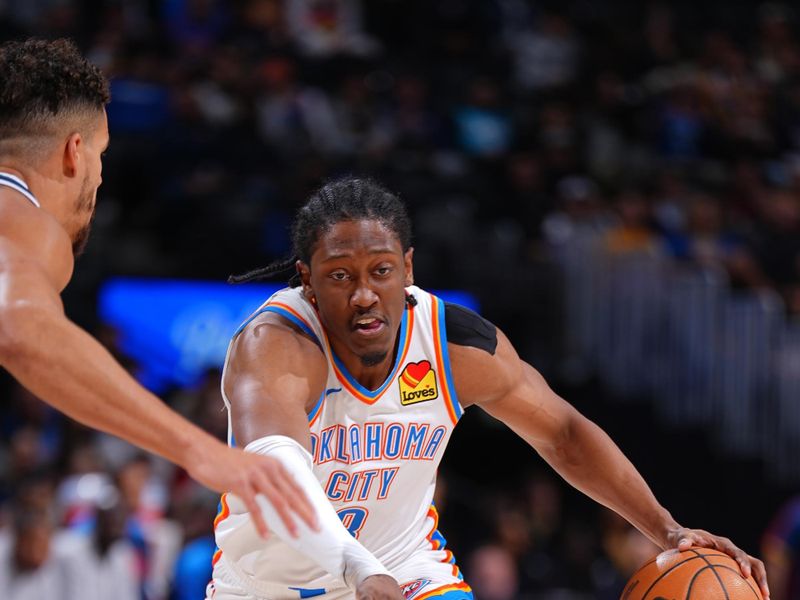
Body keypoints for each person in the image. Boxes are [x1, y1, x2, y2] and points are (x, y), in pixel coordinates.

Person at [210, 177, 769, 600]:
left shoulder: (457, 345)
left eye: (380, 270)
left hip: (404, 570)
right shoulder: (275, 343)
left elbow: (565, 434)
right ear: (307, 279)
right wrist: (357, 569)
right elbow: (274, 474)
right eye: (340, 276)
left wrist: (668, 531)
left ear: (407, 268)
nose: (363, 294)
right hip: (269, 583)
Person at [0, 38, 316, 539]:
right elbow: (19, 327)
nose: (100, 176)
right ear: (74, 153)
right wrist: (203, 450)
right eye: (102, 154)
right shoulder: (21, 215)